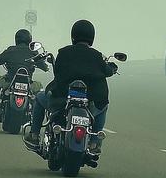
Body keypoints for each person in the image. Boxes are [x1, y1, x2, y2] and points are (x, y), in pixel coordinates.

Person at [24, 19, 117, 155]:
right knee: (104, 107)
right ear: (92, 37)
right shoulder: (97, 56)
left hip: (61, 100)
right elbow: (108, 71)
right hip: (91, 103)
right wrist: (112, 68)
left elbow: (58, 72)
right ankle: (94, 142)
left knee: (39, 97)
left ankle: (34, 135)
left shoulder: (64, 53)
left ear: (73, 35)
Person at [0, 28, 49, 116]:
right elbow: (44, 67)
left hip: (9, 82)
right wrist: (45, 66)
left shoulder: (11, 50)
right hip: (29, 85)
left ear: (16, 39)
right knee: (39, 86)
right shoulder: (34, 53)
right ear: (29, 40)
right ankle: (35, 111)